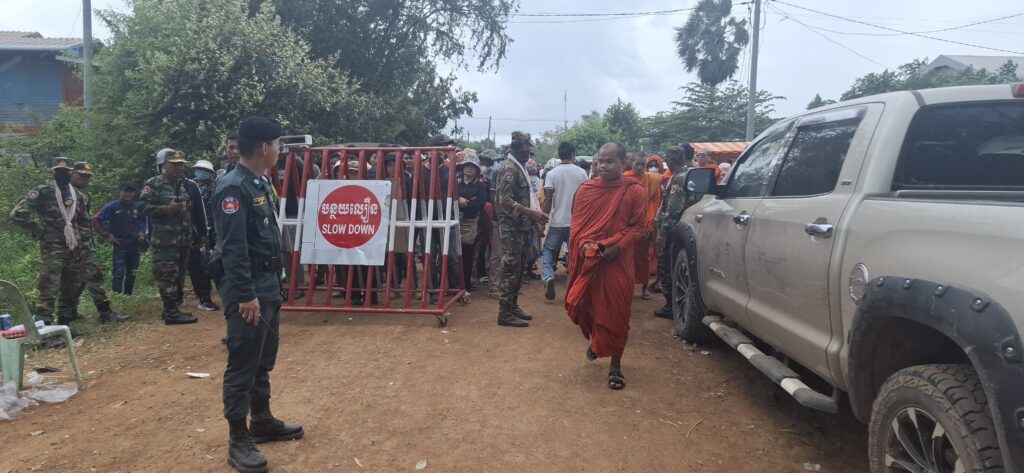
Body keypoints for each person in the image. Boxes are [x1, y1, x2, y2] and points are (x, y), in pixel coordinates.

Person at [213, 117, 303, 473]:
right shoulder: (233, 188)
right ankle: (238, 439)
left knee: (263, 358)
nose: (279, 151)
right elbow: (233, 250)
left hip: (267, 284)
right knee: (242, 363)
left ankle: (261, 420)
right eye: (278, 145)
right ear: (265, 147)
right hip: (249, 290)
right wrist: (245, 295)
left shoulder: (259, 182)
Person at [565, 142, 646, 390]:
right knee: (589, 305)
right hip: (591, 260)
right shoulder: (586, 190)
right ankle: (598, 343)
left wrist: (615, 249)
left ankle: (615, 366)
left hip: (618, 261)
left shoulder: (635, 191)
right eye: (600, 161)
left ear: (624, 164)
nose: (603, 166)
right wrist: (585, 247)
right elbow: (577, 228)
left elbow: (638, 228)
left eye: (609, 161)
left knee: (618, 313)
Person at [9, 158, 92, 342]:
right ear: (54, 173)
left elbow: (83, 222)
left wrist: (85, 246)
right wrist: (37, 230)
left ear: (72, 173)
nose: (62, 175)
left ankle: (65, 326)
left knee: (71, 286)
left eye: (66, 171)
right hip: (52, 249)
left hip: (74, 248)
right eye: (58, 172)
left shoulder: (77, 195)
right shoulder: (43, 191)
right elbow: (17, 214)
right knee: (49, 287)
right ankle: (44, 331)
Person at [137, 148, 203, 325]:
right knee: (166, 275)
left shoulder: (183, 184)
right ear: (162, 165)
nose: (178, 168)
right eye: (173, 165)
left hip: (183, 239)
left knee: (179, 275)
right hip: (165, 241)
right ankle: (170, 312)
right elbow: (142, 208)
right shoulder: (154, 183)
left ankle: (174, 308)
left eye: (181, 165)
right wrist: (167, 209)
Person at [495, 131, 549, 327]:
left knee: (519, 269)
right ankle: (504, 312)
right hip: (512, 228)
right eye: (527, 147)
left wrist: (533, 219)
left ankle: (512, 306)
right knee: (511, 268)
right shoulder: (508, 170)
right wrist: (531, 213)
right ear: (517, 148)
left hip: (523, 227)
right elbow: (505, 201)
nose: (529, 151)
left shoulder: (521, 168)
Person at [67, 162, 131, 324]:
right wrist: (39, 232)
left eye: (88, 177)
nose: (86, 179)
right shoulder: (58, 193)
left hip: (84, 245)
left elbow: (85, 222)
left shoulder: (81, 195)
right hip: (67, 247)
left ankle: (100, 313)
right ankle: (74, 314)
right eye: (82, 176)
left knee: (87, 278)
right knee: (76, 280)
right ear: (71, 174)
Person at [540, 141, 588, 301]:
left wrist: (542, 220)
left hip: (557, 222)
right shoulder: (582, 173)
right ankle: (573, 283)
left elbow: (547, 200)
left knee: (548, 251)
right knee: (575, 254)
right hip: (576, 223)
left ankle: (548, 277)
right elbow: (586, 199)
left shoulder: (552, 174)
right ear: (573, 154)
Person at [654, 144, 695, 318]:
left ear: (669, 160)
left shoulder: (679, 178)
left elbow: (673, 209)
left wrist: (662, 233)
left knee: (666, 265)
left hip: (674, 231)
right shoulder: (690, 174)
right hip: (686, 228)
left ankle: (670, 306)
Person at [94, 181, 148, 295]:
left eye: (131, 192)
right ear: (121, 192)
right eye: (125, 191)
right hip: (120, 243)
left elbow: (144, 220)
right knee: (118, 272)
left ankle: (128, 296)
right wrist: (107, 235)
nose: (128, 194)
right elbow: (96, 219)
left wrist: (143, 231)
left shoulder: (138, 206)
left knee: (132, 272)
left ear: (134, 193)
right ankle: (117, 296)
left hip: (134, 244)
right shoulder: (113, 206)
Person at [623, 152, 664, 300]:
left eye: (643, 165)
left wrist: (650, 223)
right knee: (626, 259)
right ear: (631, 164)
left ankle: (645, 286)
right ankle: (626, 287)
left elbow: (656, 202)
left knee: (644, 258)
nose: (640, 168)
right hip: (626, 224)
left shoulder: (651, 179)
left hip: (645, 224)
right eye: (637, 164)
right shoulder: (624, 178)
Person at [190, 159, 220, 311]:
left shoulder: (215, 188)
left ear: (210, 173)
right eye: (198, 169)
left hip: (213, 231)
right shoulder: (191, 187)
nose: (200, 172)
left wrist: (210, 234)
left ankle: (211, 294)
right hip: (196, 232)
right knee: (200, 265)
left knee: (212, 264)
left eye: (204, 170)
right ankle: (203, 296)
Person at [456, 155, 487, 291]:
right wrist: (459, 199)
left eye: (472, 167)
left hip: (470, 222)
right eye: (467, 166)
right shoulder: (455, 183)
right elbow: (448, 198)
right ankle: (454, 284)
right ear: (463, 168)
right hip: (454, 221)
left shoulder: (480, 186)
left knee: (467, 253)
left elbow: (480, 205)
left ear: (476, 170)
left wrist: (464, 203)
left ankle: (466, 286)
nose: (469, 169)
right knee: (453, 254)